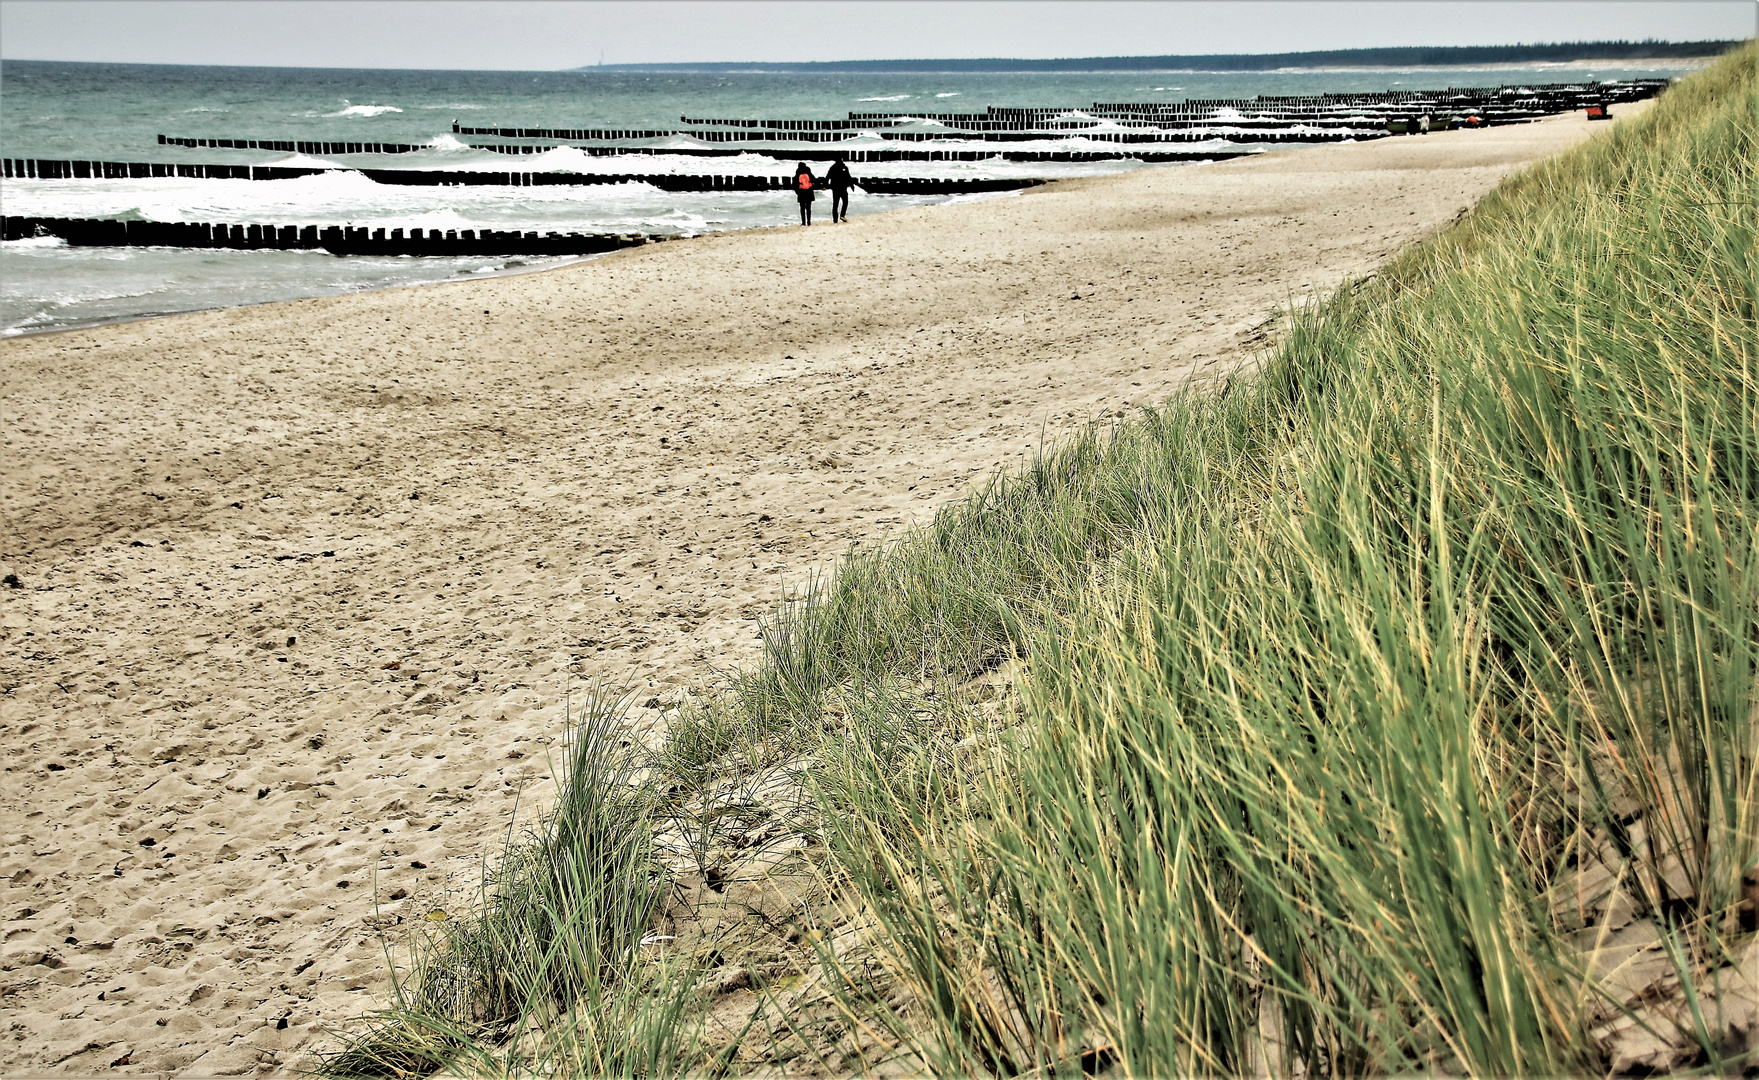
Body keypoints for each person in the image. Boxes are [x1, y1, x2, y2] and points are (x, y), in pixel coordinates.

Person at [826, 156, 853, 223]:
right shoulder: (844, 167)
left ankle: (835, 219)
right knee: (845, 202)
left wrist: (825, 185)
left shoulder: (833, 167)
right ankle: (842, 215)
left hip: (835, 188)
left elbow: (827, 177)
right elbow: (848, 177)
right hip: (843, 188)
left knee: (835, 204)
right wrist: (852, 186)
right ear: (841, 159)